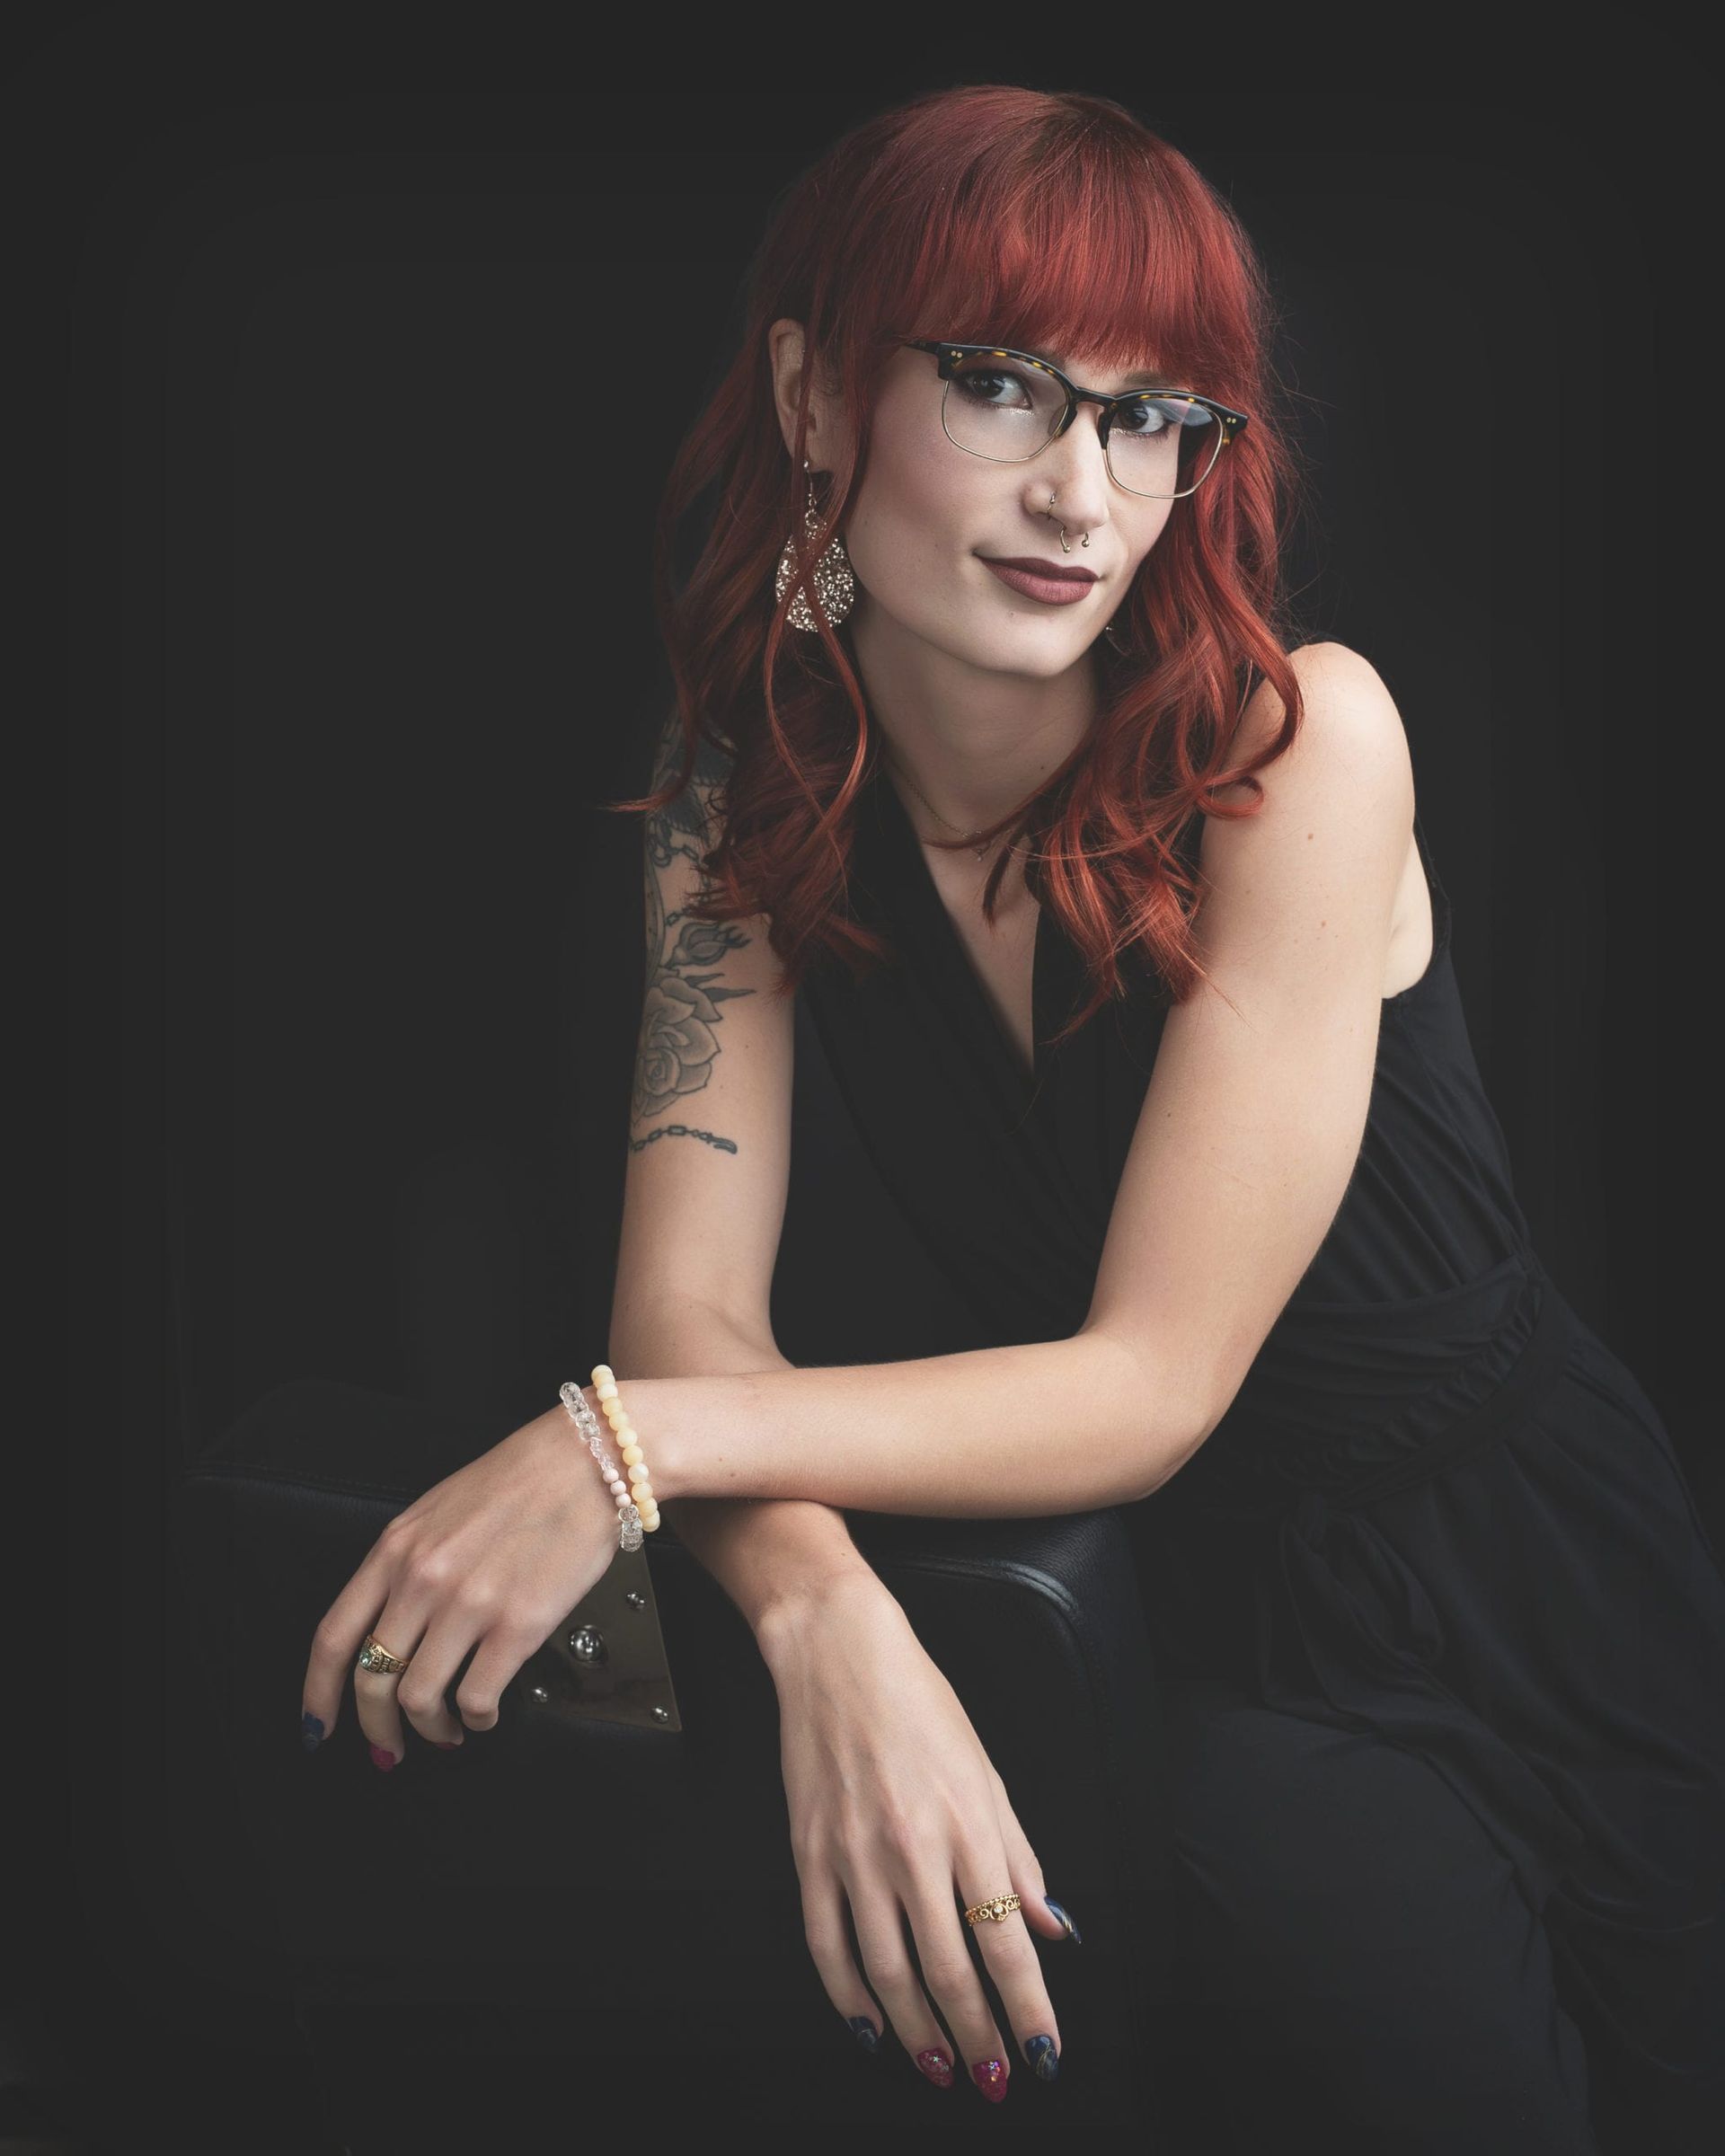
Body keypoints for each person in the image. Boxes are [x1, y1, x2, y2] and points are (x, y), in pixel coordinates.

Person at [300, 85, 1725, 2148]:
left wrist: (619, 1453)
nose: (1085, 486)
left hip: (1508, 1594)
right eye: (1000, 385)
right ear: (813, 393)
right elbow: (693, 1317)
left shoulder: (1300, 745)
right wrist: (821, 1614)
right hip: (1153, 1618)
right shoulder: (734, 793)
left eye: (1155, 417)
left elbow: (1151, 1380)